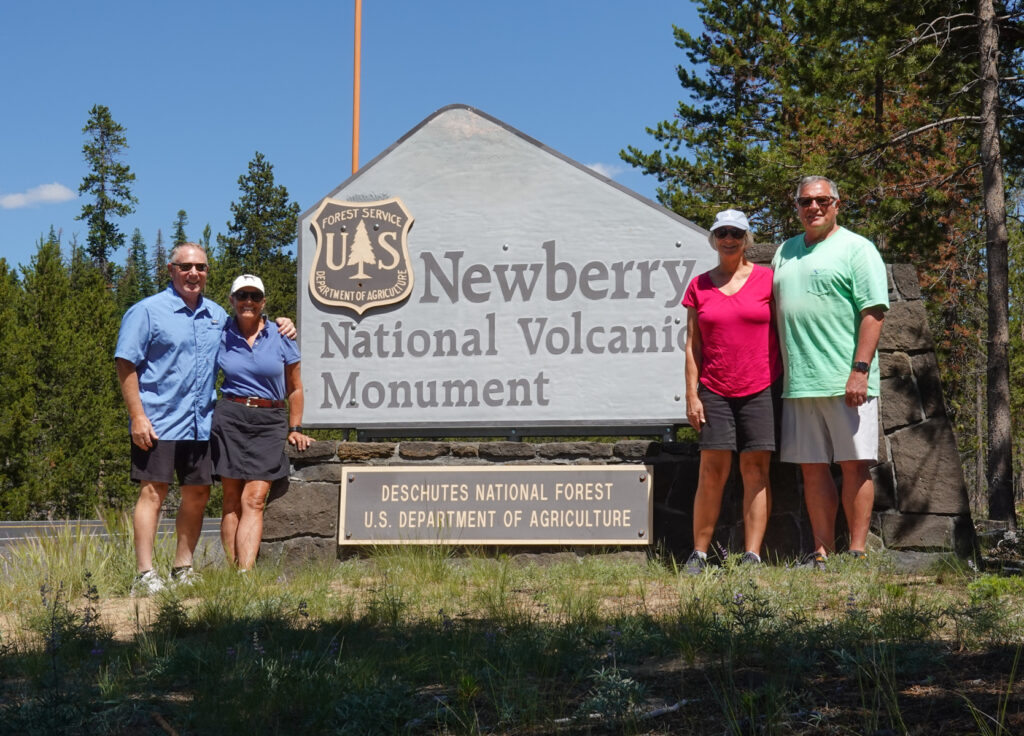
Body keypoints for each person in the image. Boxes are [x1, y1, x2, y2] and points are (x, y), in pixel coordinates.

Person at [115, 244, 295, 596]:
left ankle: (182, 567)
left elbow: (252, 325)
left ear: (207, 272)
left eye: (200, 267)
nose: (193, 273)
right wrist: (137, 416)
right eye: (186, 267)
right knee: (153, 492)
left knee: (197, 494)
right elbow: (125, 364)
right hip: (158, 420)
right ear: (171, 270)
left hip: (201, 422)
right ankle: (145, 574)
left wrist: (283, 323)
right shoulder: (147, 311)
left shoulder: (217, 315)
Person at [771, 176, 889, 568]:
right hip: (800, 382)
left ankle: (856, 552)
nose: (814, 207)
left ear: (837, 204)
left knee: (854, 465)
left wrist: (860, 371)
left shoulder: (857, 248)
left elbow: (874, 312)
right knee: (812, 469)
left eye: (822, 200)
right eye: (805, 201)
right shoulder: (785, 252)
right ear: (797, 207)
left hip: (846, 380)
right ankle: (821, 554)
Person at [682, 209, 782, 574]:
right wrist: (692, 395)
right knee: (711, 471)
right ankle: (698, 554)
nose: (729, 239)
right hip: (714, 389)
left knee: (755, 471)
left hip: (761, 387)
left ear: (746, 239)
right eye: (722, 232)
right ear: (713, 239)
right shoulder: (699, 286)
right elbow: (693, 345)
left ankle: (752, 556)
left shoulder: (768, 280)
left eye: (736, 233)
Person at [211, 274, 313, 572]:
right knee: (231, 500)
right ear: (231, 300)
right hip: (231, 417)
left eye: (255, 296)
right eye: (242, 295)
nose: (248, 302)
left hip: (269, 420)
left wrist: (295, 428)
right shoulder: (221, 333)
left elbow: (295, 387)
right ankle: (232, 573)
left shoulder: (281, 335)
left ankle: (246, 573)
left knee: (254, 498)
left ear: (263, 302)